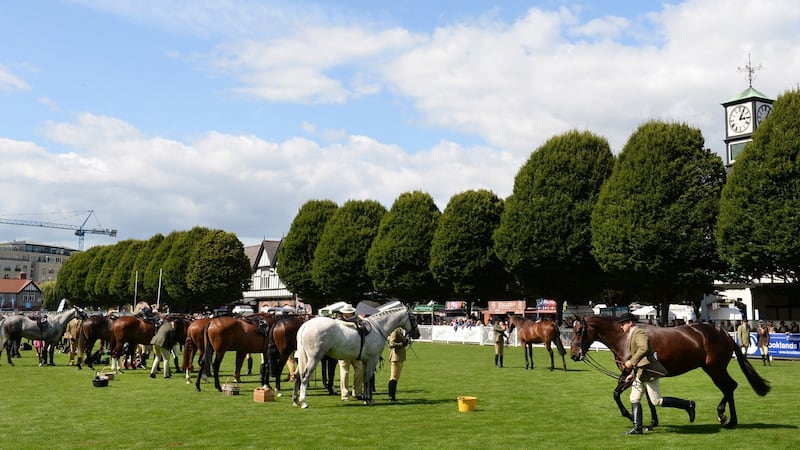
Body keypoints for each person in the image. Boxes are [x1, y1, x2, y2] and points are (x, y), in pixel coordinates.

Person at [618, 312, 695, 435]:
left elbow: (644, 349)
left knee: (656, 401)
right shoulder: (633, 334)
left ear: (630, 323)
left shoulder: (639, 333)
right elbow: (639, 355)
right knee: (634, 398)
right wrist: (632, 374)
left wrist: (631, 362)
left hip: (648, 371)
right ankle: (637, 428)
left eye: (623, 324)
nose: (621, 326)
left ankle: (688, 404)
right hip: (640, 372)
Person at [337, 304, 364, 401]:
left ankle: (357, 392)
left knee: (360, 371)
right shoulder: (339, 322)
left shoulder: (358, 321)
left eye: (347, 313)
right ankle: (344, 394)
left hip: (356, 350)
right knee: (344, 372)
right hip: (343, 350)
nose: (346, 314)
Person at [387, 326, 408, 402]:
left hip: (400, 357)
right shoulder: (395, 331)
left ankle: (392, 396)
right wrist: (402, 344)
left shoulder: (399, 330)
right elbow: (392, 343)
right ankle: (391, 397)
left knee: (396, 377)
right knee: (393, 377)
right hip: (396, 357)